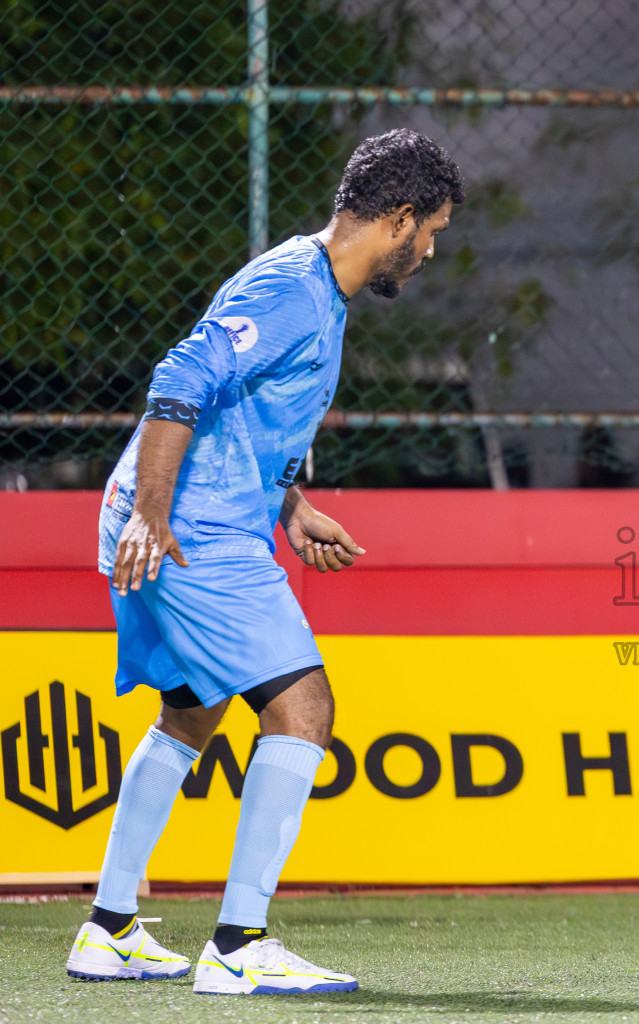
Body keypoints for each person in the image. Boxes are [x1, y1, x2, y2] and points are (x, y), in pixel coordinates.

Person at [66, 129, 465, 994]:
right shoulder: (292, 287)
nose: (431, 249)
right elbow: (180, 379)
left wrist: (292, 507)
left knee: (194, 710)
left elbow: (239, 417)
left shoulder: (317, 289)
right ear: (396, 219)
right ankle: (239, 948)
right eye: (430, 230)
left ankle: (108, 930)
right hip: (186, 527)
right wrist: (154, 513)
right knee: (305, 709)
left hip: (182, 515)